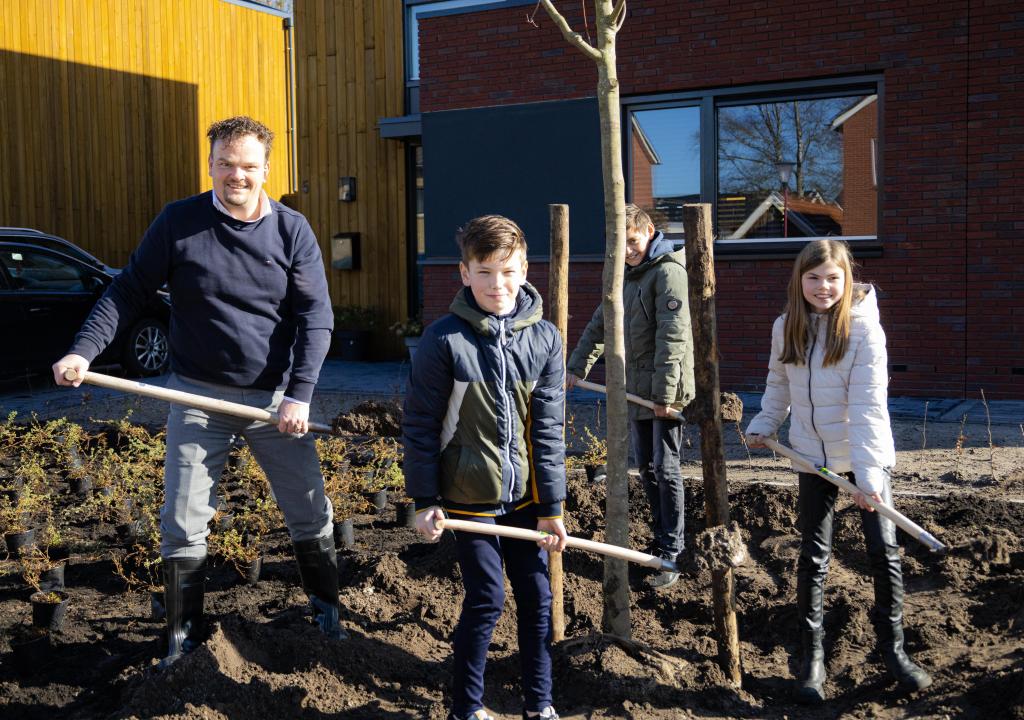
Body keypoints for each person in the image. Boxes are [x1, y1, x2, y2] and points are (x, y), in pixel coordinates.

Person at [52, 116, 343, 667]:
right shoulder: (179, 222)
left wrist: (300, 393)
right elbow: (127, 290)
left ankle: (328, 620)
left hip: (273, 398)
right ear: (210, 163)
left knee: (309, 509)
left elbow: (317, 316)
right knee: (183, 520)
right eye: (226, 164)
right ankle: (181, 642)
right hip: (195, 395)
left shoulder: (291, 230)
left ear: (266, 169)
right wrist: (82, 351)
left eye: (248, 166)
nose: (237, 175)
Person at [745, 239, 932, 703]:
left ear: (848, 279)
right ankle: (811, 661)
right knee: (813, 554)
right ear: (799, 281)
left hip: (864, 457)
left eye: (833, 277)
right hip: (813, 457)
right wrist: (766, 423)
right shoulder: (787, 326)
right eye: (813, 278)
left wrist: (868, 478)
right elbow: (778, 381)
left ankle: (895, 654)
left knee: (882, 552)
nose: (823, 287)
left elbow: (869, 406)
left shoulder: (865, 331)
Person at [402, 215, 567, 720]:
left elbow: (549, 431)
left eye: (509, 271)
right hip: (465, 499)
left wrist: (551, 506)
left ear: (525, 270)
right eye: (486, 272)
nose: (499, 284)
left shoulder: (545, 340)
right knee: (487, 599)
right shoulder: (444, 340)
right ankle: (467, 708)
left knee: (538, 599)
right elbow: (421, 426)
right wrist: (425, 500)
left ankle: (540, 705)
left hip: (523, 501)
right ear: (464, 272)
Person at [566, 203, 694, 589]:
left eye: (633, 242)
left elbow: (674, 338)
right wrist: (576, 368)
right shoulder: (623, 276)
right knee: (648, 469)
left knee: (666, 467)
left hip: (663, 392)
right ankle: (659, 540)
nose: (627, 251)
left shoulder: (668, 273)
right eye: (620, 245)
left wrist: (664, 394)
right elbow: (599, 323)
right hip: (636, 390)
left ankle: (673, 551)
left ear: (649, 230)